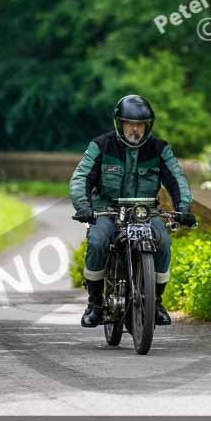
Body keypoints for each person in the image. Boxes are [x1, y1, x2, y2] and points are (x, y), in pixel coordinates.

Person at [70, 94, 196, 328]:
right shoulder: (101, 145)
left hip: (145, 212)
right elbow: (81, 178)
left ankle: (156, 302)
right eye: (130, 123)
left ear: (148, 126)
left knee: (163, 242)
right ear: (120, 123)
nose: (135, 129)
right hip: (107, 210)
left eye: (140, 124)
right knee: (97, 242)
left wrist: (183, 208)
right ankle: (95, 304)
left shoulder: (160, 149)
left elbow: (177, 180)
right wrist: (84, 206)